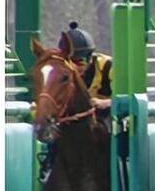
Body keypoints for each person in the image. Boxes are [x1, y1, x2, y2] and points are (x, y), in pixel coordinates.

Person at [39, 21, 113, 182]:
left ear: (90, 57)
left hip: (105, 117)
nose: (76, 67)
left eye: (80, 62)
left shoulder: (107, 65)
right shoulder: (61, 73)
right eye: (71, 61)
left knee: (111, 138)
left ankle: (120, 178)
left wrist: (105, 103)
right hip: (72, 120)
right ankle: (49, 166)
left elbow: (125, 96)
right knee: (56, 132)